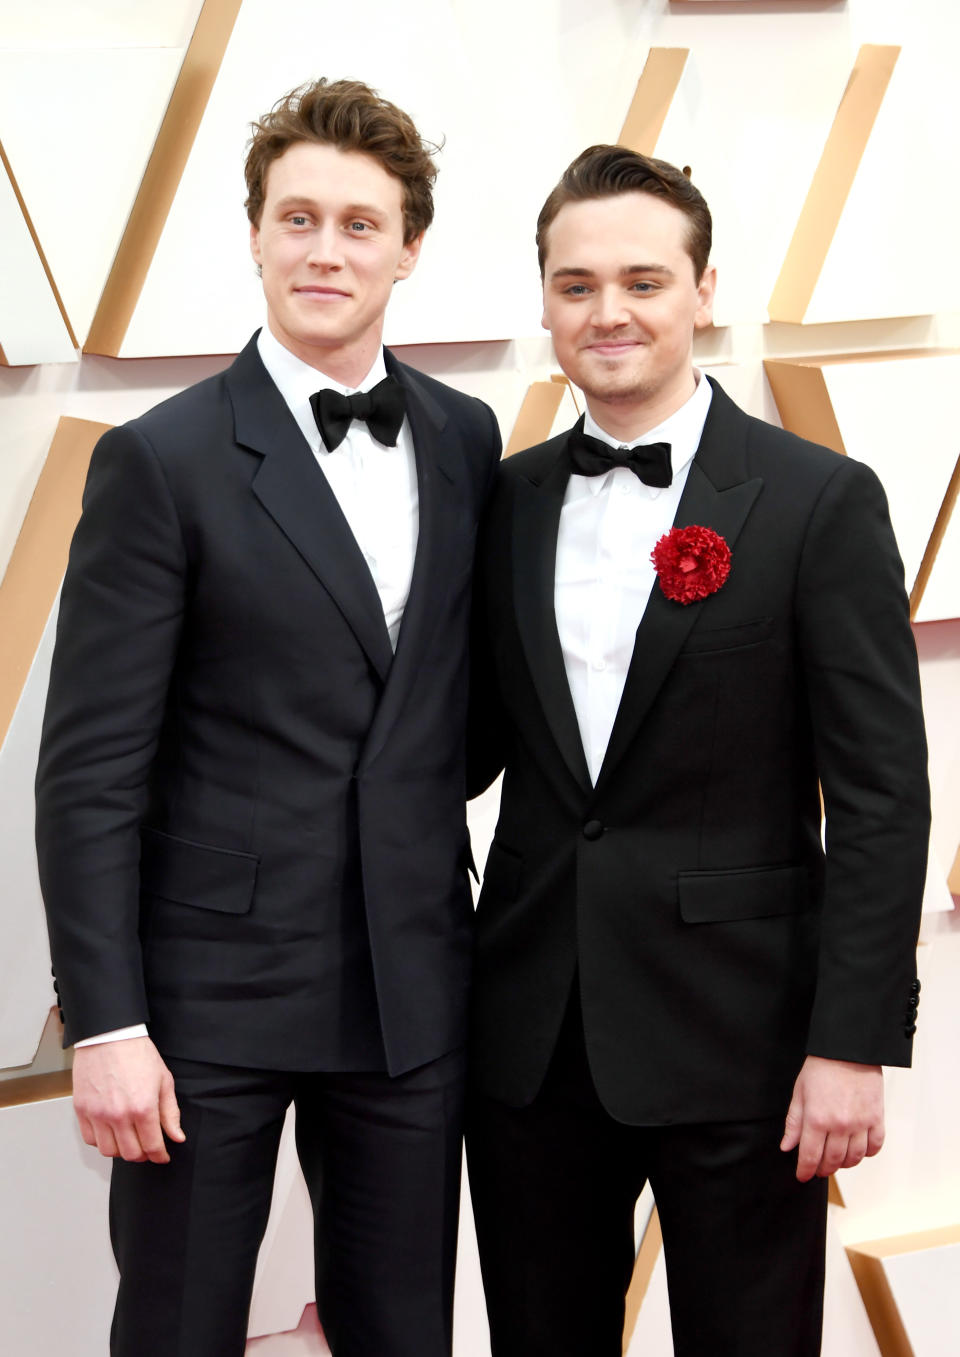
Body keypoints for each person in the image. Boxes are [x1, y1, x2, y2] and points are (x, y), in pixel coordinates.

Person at [35, 77, 500, 1357]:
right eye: (298, 218)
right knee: (179, 1325)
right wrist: (109, 1021)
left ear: (410, 248)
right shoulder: (162, 458)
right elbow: (90, 772)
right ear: (253, 234)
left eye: (360, 223)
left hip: (413, 992)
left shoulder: (466, 440)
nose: (325, 250)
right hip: (203, 1004)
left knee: (401, 1329)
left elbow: (466, 709)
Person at [465, 145, 928, 1357]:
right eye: (576, 286)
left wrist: (850, 1043)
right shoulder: (499, 501)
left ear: (703, 289)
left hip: (749, 1047)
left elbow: (882, 796)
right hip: (528, 1042)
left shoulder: (819, 500)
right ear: (547, 302)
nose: (607, 312)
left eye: (641, 280)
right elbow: (456, 747)